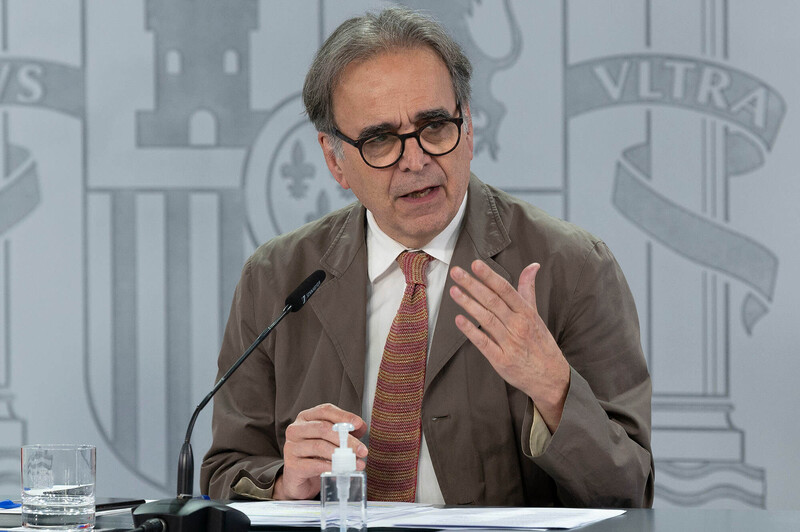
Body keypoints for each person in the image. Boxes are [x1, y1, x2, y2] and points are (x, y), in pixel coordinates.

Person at [201, 7, 653, 507]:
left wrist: (554, 391)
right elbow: (224, 473)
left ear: (469, 127)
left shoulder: (573, 267)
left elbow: (628, 492)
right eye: (380, 140)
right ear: (334, 159)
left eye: (435, 126)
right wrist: (285, 484)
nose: (415, 160)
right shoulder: (276, 278)